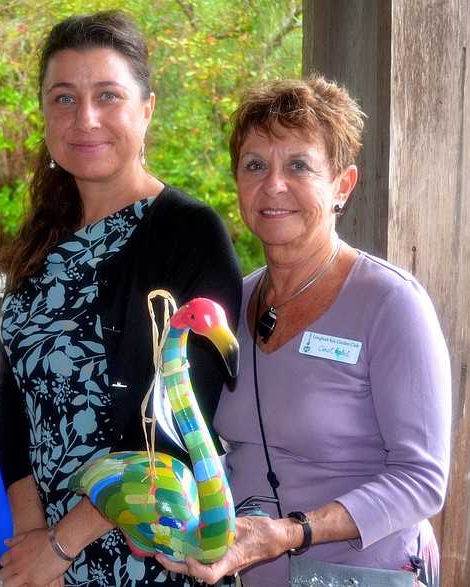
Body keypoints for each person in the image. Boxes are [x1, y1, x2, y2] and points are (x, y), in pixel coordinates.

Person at [156, 75, 451, 586]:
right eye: (255, 166)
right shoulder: (231, 304)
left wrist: (292, 532)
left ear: (342, 184)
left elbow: (423, 480)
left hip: (366, 574)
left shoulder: (390, 303)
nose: (273, 185)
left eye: (298, 165)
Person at [0, 11, 242, 587]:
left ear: (146, 109)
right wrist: (32, 543)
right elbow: (14, 401)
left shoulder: (189, 232)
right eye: (63, 98)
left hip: (153, 552)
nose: (86, 119)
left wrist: (63, 542)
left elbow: (181, 411)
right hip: (48, 558)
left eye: (108, 95)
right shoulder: (40, 240)